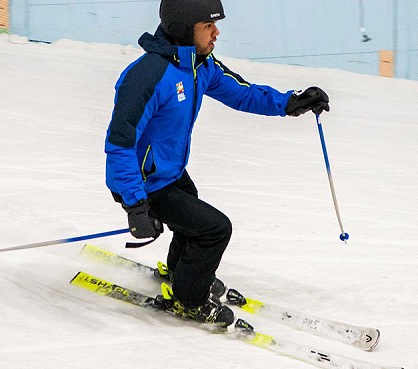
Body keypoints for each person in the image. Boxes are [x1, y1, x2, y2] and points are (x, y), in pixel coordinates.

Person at [105, 0, 329, 327]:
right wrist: (135, 205)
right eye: (208, 26)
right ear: (184, 27)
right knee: (214, 229)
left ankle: (183, 273)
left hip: (168, 172)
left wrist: (290, 103)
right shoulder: (148, 75)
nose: (216, 32)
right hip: (142, 183)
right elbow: (119, 143)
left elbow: (243, 93)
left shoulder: (200, 65)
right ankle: (189, 299)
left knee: (192, 209)